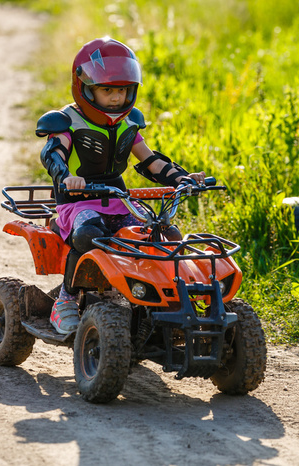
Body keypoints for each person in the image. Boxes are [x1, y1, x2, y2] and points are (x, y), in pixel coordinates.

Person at [35, 37, 206, 334]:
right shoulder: (66, 121)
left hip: (118, 199)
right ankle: (65, 301)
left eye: (122, 90)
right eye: (107, 90)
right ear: (86, 88)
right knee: (89, 234)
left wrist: (182, 178)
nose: (116, 98)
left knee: (164, 232)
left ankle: (161, 299)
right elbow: (53, 155)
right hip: (78, 203)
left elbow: (151, 162)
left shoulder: (129, 123)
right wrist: (65, 177)